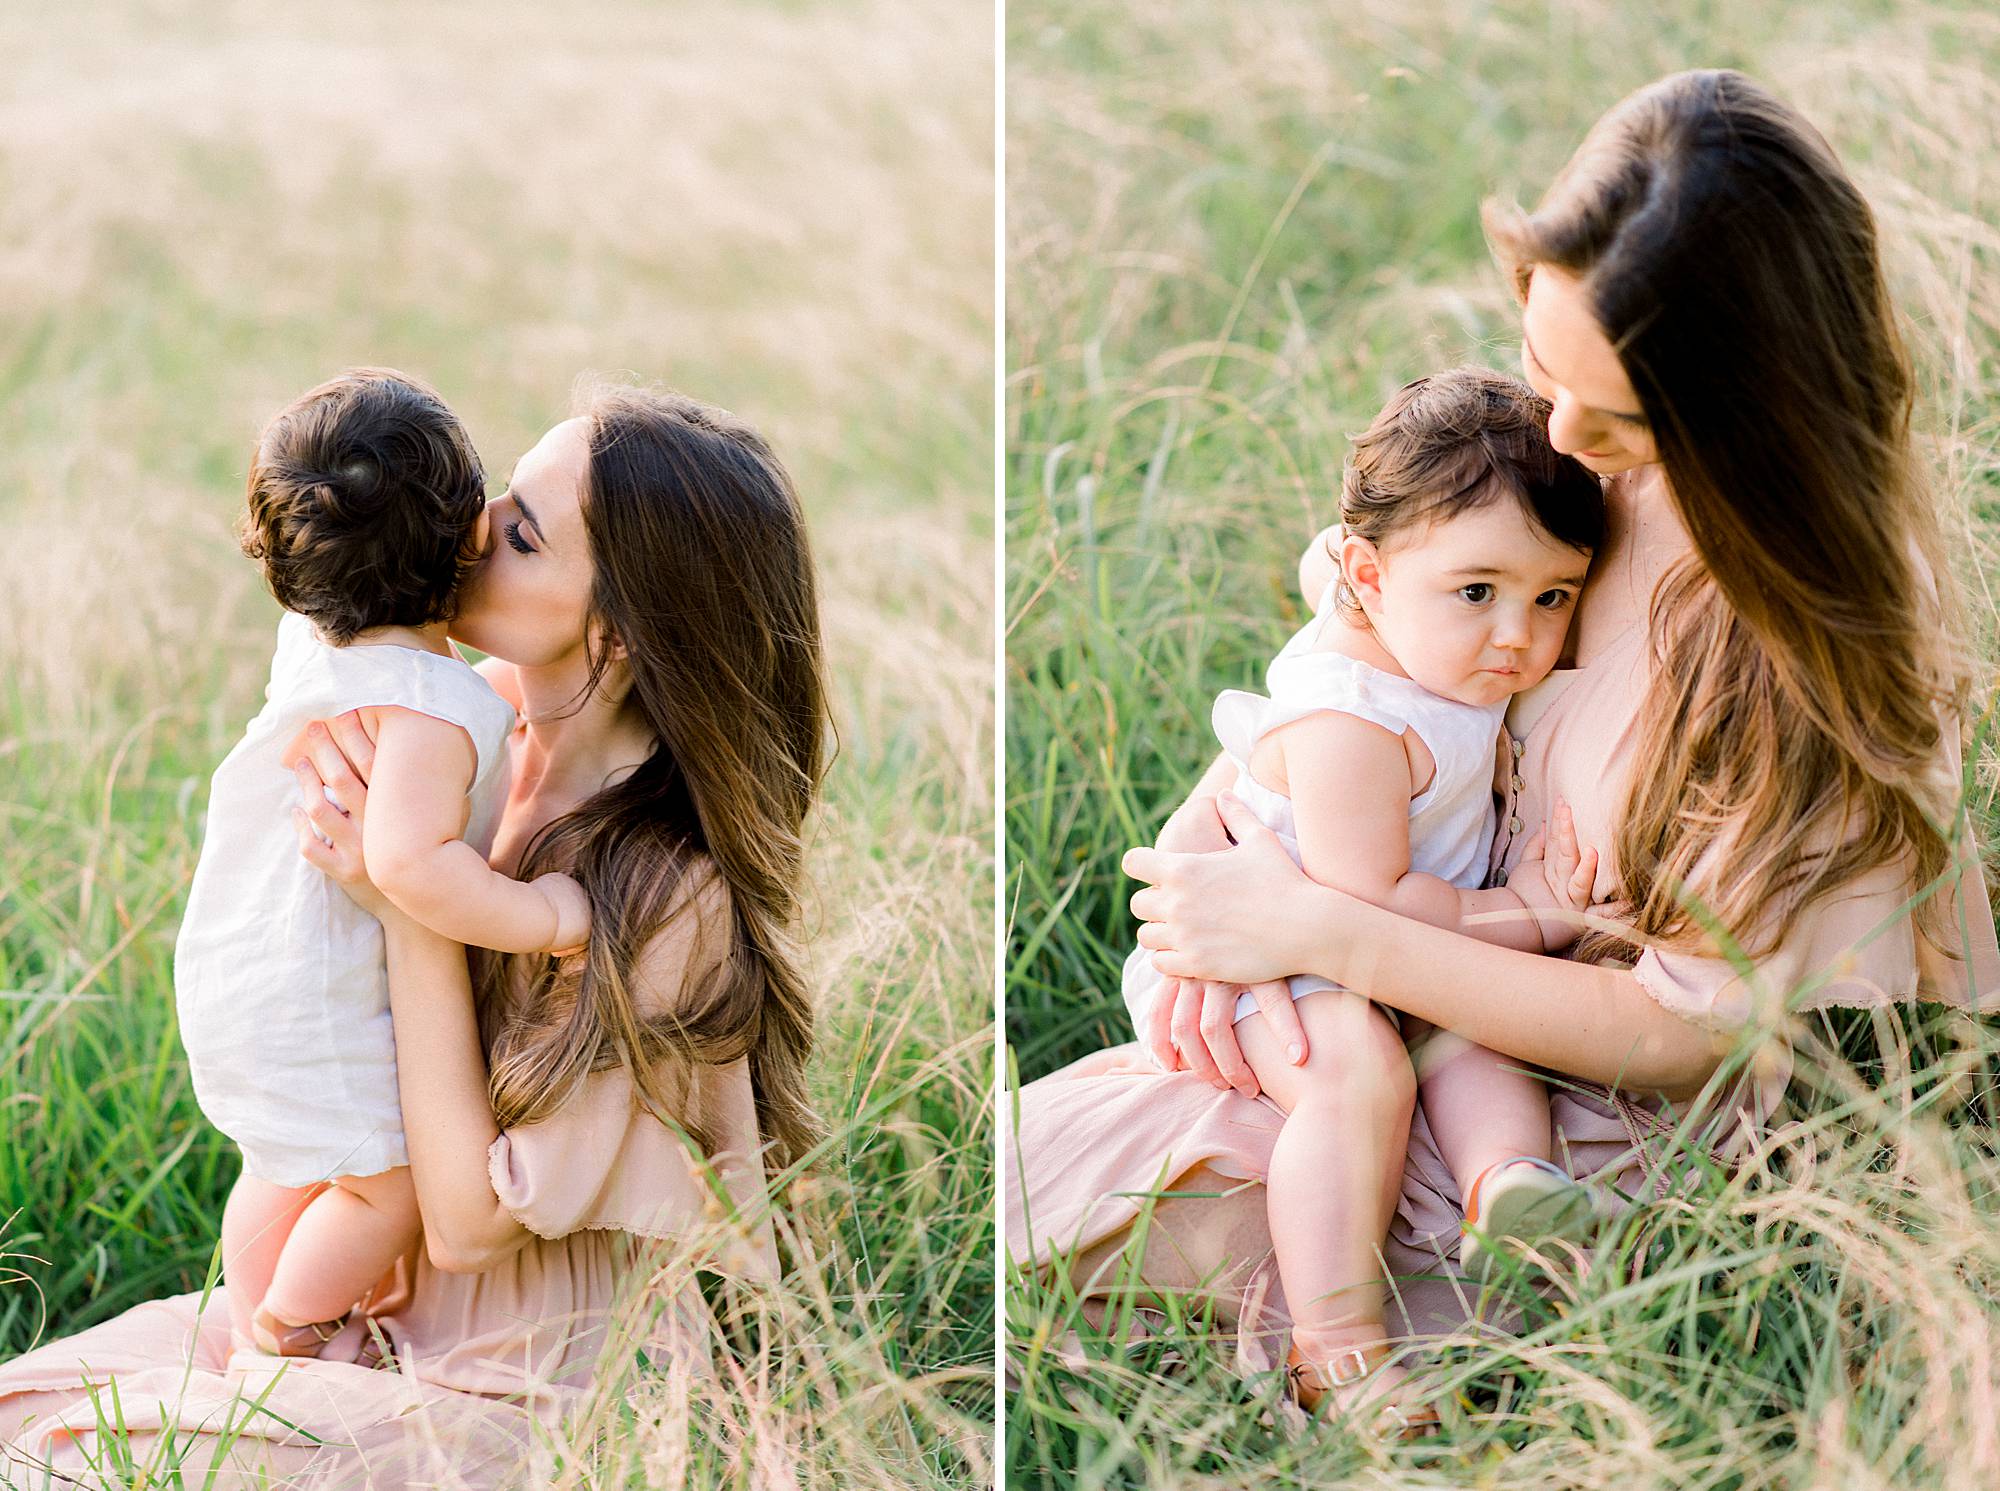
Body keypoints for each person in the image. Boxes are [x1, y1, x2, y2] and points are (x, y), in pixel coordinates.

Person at [1008, 67, 2000, 1429]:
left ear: (1755, 407)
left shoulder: (1809, 646)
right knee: (1026, 1173)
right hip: (1420, 971)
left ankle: (1381, 1321)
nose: (1568, 439)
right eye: (1546, 370)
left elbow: (1679, 1031)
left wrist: (1317, 925)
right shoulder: (1564, 465)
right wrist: (1201, 870)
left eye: (1627, 417)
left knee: (1074, 1214)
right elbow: (1358, 661)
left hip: (1589, 1092)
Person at [0, 385, 828, 1488]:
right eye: (496, 494)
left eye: (522, 534)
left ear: (620, 630)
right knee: (33, 1411)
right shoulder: (458, 715)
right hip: (370, 1307)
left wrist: (408, 912)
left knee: (78, 1465)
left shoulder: (663, 889)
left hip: (512, 1385)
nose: (474, 528)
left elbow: (474, 1230)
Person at [1117, 367, 1606, 1421]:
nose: (1516, 635)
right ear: (1367, 580)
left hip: (1352, 941)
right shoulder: (1353, 722)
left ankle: (1502, 1183)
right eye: (1477, 592)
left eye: (1551, 596)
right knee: (1361, 1075)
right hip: (1271, 956)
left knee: (1475, 1032)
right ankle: (1332, 1353)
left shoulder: (1423, 635)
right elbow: (1363, 908)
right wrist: (1529, 910)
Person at [175, 368, 589, 1362]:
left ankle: (245, 1313)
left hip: (244, 954)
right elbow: (408, 862)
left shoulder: (315, 637)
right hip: (316, 983)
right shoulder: (433, 710)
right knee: (384, 1187)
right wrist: (547, 919)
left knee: (282, 1163)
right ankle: (283, 1332)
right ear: (465, 539)